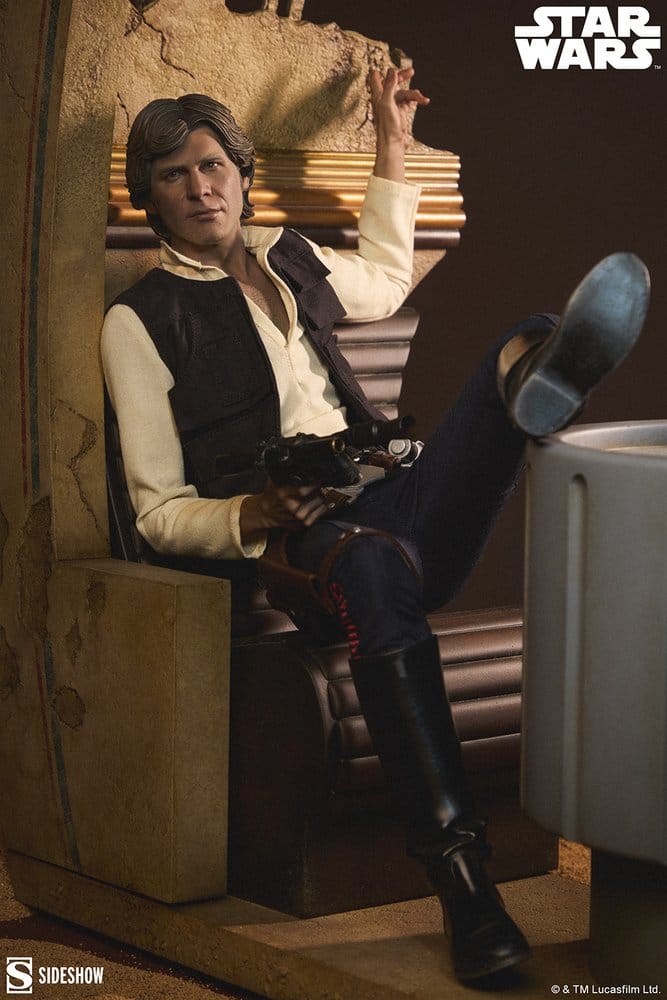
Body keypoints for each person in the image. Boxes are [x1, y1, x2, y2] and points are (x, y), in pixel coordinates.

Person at [101, 68, 650, 984]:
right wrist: (255, 511)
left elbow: (388, 281)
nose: (199, 188)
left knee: (524, 341)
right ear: (149, 197)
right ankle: (463, 884)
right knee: (368, 568)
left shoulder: (288, 257)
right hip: (302, 548)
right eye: (172, 176)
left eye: (211, 165)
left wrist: (392, 143)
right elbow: (157, 510)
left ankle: (539, 386)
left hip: (393, 499)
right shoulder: (141, 319)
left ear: (240, 173)